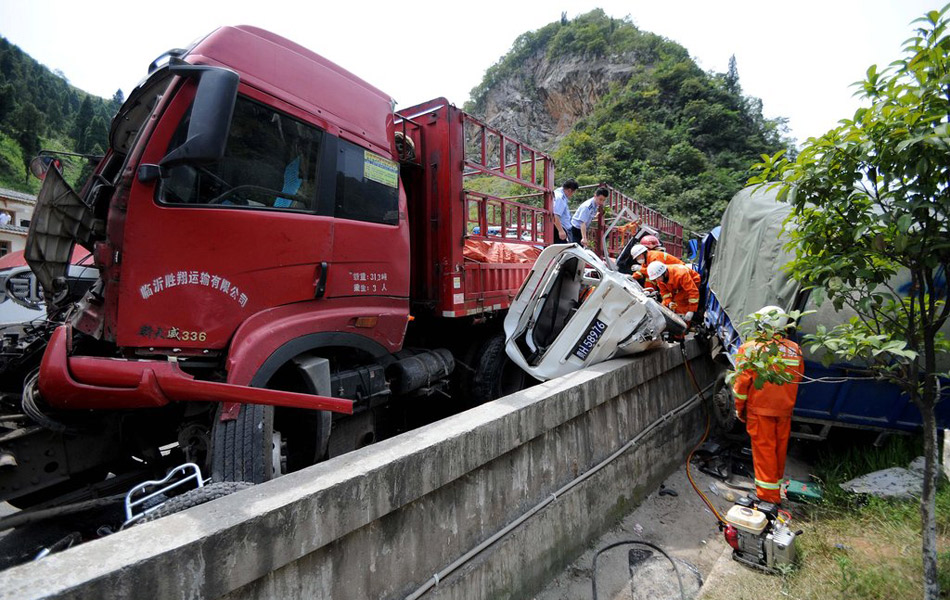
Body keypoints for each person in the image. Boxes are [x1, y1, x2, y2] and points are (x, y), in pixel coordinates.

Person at [731, 306, 803, 505]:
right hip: (784, 410)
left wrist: (739, 408)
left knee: (764, 453)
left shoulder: (751, 348)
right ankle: (774, 489)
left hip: (760, 410)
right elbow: (797, 379)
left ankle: (767, 497)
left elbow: (741, 384)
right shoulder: (794, 349)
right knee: (779, 451)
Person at [553, 179, 579, 243]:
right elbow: (555, 215)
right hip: (560, 228)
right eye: (573, 192)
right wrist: (561, 230)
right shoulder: (560, 197)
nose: (572, 195)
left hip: (561, 227)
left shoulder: (559, 194)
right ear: (569, 190)